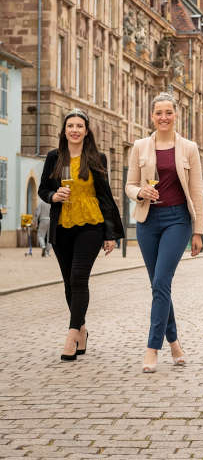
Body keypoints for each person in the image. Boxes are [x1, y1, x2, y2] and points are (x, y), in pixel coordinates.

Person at [126, 91, 203, 373]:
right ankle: (175, 344)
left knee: (161, 280)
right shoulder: (139, 147)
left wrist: (198, 232)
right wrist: (139, 192)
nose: (163, 117)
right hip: (148, 220)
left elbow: (195, 190)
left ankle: (152, 347)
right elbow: (129, 185)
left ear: (176, 115)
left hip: (178, 220)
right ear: (151, 116)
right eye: (158, 113)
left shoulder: (189, 148)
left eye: (168, 112)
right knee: (159, 286)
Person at [38, 109, 123, 361]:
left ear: (86, 131)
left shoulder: (97, 158)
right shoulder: (54, 157)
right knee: (68, 283)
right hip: (62, 225)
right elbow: (43, 188)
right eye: (70, 126)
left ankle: (72, 334)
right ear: (64, 131)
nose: (74, 130)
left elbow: (105, 196)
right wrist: (53, 196)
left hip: (90, 224)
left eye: (79, 126)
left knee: (78, 278)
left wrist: (110, 234)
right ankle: (83, 330)